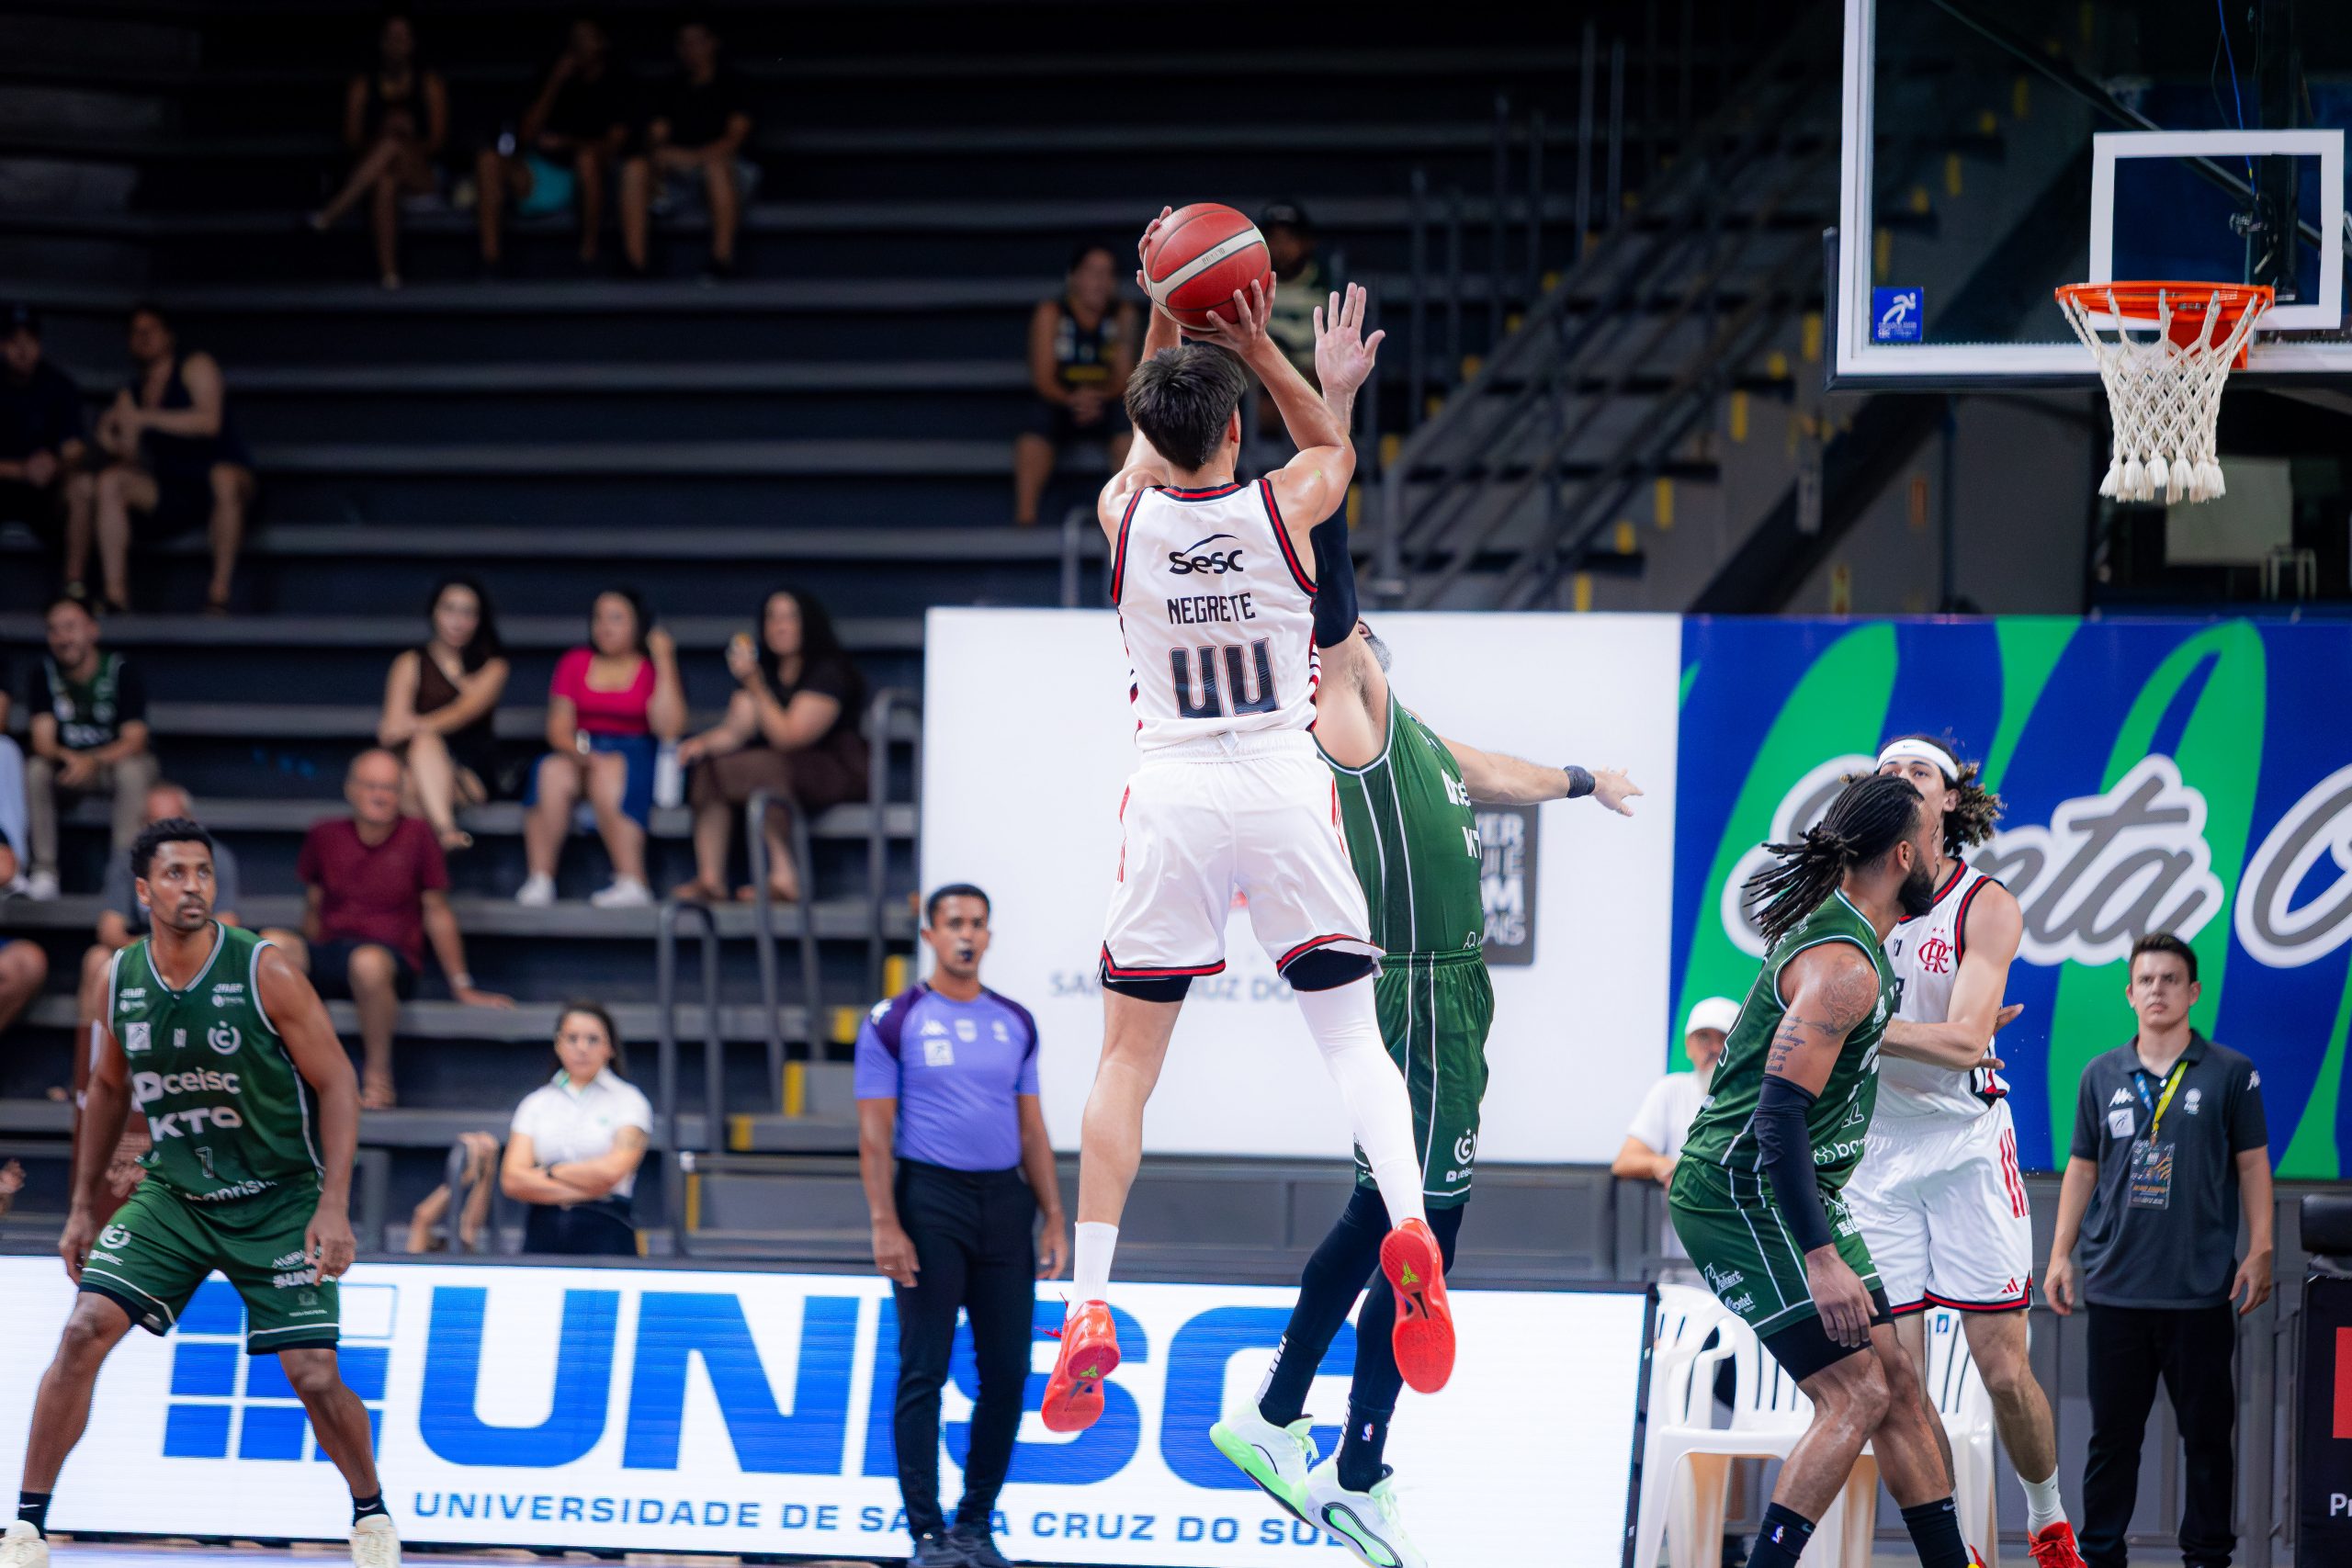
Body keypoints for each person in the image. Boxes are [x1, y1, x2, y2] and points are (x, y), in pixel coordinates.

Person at [1044, 215, 1447, 1435]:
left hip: (1174, 789)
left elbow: (1149, 432)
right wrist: (1263, 346)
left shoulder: (1124, 516)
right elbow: (1331, 447)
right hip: (1278, 783)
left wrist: (1165, 308)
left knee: (1126, 1065)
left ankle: (1089, 1303)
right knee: (1352, 1041)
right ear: (1232, 431)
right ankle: (1412, 1229)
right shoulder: (1287, 506)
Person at [1212, 612, 1638, 1568]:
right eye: (1347, 630)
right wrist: (1321, 527)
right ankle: (1352, 1469)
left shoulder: (1416, 739)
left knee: (1380, 1211)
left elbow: (1502, 775)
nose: (1357, 631)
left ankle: (1277, 1419)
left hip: (1445, 995)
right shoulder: (1350, 726)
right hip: (1425, 994)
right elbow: (1332, 624)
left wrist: (1585, 781)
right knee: (1424, 1234)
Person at [0, 817, 401, 1568]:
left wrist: (334, 1203)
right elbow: (107, 1087)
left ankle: (370, 1512)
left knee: (314, 1375)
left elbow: (339, 1080)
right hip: (177, 1194)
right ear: (143, 890)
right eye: (176, 873)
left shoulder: (264, 969)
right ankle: (24, 1527)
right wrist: (82, 1205)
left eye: (204, 872)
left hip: (279, 1196)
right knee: (84, 1328)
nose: (194, 886)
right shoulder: (118, 976)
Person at [1668, 772, 1978, 1568]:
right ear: (1903, 854)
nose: (1942, 857)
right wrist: (1821, 1256)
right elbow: (1776, 1117)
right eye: (1935, 842)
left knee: (1897, 1380)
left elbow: (1844, 1046)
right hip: (1740, 1190)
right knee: (1857, 1391)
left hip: (1799, 1186)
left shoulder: (1854, 945)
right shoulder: (1845, 962)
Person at [1846, 734, 2082, 1568]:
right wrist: (1921, 1034)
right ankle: (1957, 1554)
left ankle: (2049, 1524)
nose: (1901, 778)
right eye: (1888, 769)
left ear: (1950, 798)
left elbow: (1965, 1044)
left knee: (2002, 1369)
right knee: (1898, 1384)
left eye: (1919, 769)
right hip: (1875, 1154)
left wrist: (1856, 1026)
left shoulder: (1985, 903)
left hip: (1965, 1145)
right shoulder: (1849, 897)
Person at [2045, 933, 2273, 1568]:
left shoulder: (2231, 1072)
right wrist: (2060, 1254)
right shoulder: (2100, 1074)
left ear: (2193, 991)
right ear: (2129, 993)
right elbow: (2082, 1168)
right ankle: (2101, 1556)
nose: (2157, 990)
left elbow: (2253, 1164)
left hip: (2199, 1291)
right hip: (2116, 1289)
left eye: (2171, 979)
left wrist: (2262, 1246)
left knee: (2208, 1441)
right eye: (2146, 980)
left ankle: (2207, 1557)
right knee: (2111, 1442)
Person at [854, 886, 1066, 1568]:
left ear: (989, 935)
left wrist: (1054, 1217)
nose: (966, 935)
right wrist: (885, 1222)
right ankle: (926, 1533)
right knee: (925, 1368)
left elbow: (1031, 1128)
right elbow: (873, 1136)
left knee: (1007, 1371)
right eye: (953, 924)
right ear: (930, 934)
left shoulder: (1015, 1020)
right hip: (929, 1201)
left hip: (1004, 1205)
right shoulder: (895, 1019)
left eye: (977, 923)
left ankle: (974, 1525)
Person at [263, 750, 512, 1109]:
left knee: (368, 963)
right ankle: (275, 1072)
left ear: (401, 794)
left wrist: (462, 986)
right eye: (370, 786)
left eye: (389, 788)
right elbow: (313, 906)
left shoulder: (418, 834)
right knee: (270, 945)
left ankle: (378, 1077)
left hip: (389, 962)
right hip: (331, 950)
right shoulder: (324, 833)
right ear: (350, 789)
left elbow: (437, 911)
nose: (379, 795)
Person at [672, 587, 868, 904]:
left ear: (808, 623)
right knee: (710, 764)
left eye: (790, 618)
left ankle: (785, 876)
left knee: (764, 766)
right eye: (772, 618)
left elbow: (790, 737)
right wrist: (701, 744)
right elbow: (735, 731)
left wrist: (756, 686)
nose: (780, 626)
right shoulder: (765, 670)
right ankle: (710, 879)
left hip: (833, 767)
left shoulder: (829, 671)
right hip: (781, 765)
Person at [517, 588, 685, 909]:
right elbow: (558, 728)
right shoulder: (574, 662)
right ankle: (540, 878)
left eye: (617, 618)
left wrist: (664, 660)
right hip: (581, 747)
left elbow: (670, 728)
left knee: (609, 770)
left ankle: (633, 880)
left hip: (635, 752)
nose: (606, 627)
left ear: (638, 625)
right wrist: (581, 753)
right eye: (600, 618)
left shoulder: (650, 667)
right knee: (551, 770)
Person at [85, 303, 256, 615]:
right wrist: (108, 441)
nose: (143, 337)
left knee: (224, 477)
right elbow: (130, 455)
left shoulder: (195, 366)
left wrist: (144, 418)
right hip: (173, 487)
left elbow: (209, 422)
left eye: (150, 330)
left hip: (221, 480)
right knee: (111, 481)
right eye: (136, 332)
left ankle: (218, 594)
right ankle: (115, 596)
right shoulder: (131, 393)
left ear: (168, 336)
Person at [21, 592, 156, 901]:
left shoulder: (120, 669)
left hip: (112, 766)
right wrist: (72, 759)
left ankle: (124, 876)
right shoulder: (43, 673)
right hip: (69, 770)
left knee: (133, 771)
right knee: (36, 768)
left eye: (70, 627)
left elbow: (135, 739)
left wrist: (92, 760)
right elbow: (42, 741)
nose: (62, 638)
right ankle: (44, 871)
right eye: (54, 630)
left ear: (92, 630)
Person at [474, 17, 632, 272]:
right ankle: (490, 261)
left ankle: (589, 256)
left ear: (602, 43)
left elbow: (615, 143)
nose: (579, 45)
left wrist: (567, 143)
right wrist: (554, 83)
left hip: (589, 175)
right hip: (540, 171)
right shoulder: (551, 78)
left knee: (586, 160)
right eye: (575, 39)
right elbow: (525, 135)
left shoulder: (617, 82)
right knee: (488, 160)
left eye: (586, 38)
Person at [307, 11, 449, 289]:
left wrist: (407, 138)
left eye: (403, 37)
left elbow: (438, 143)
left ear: (413, 43)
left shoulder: (429, 84)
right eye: (391, 37)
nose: (397, 44)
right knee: (385, 180)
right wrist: (382, 132)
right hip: (376, 176)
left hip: (421, 177)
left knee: (394, 144)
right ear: (381, 43)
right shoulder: (363, 86)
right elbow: (351, 142)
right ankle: (389, 275)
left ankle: (332, 213)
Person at [499, 1002, 651, 1257]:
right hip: (542, 1229)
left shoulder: (629, 1100)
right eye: (572, 1038)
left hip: (607, 1227)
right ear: (558, 1044)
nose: (582, 1048)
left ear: (610, 1047)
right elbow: (512, 1180)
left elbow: (612, 1172)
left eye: (592, 1039)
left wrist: (551, 1171)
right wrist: (588, 1189)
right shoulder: (536, 1102)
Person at [1615, 995, 1743, 1283]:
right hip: (1680, 1275)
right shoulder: (1670, 1091)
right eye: (1703, 1038)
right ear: (1688, 1046)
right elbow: (1625, 1161)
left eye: (1724, 1038)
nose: (1713, 1048)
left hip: (1744, 1267)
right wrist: (1661, 1164)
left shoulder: (1759, 1098)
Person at [378, 576, 509, 852]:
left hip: (469, 773)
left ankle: (430, 857)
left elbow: (462, 713)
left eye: (467, 613)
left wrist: (416, 726)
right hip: (413, 769)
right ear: (434, 612)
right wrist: (412, 732)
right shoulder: (410, 663)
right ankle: (446, 835)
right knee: (411, 780)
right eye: (449, 609)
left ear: (479, 620)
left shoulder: (493, 667)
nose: (457, 621)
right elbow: (389, 732)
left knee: (422, 750)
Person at [1012, 242, 1136, 527]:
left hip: (1105, 401)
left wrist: (1098, 398)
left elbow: (1125, 378)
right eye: (1093, 272)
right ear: (1074, 277)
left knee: (1132, 425)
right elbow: (1042, 377)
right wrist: (1073, 400)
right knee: (1035, 426)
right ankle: (1025, 519)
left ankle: (1130, 517)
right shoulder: (1052, 312)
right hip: (1061, 398)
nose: (1100, 282)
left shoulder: (1123, 314)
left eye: (1107, 274)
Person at [619, 20, 753, 279]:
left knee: (716, 167)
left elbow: (733, 141)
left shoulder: (736, 84)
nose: (691, 49)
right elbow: (656, 139)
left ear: (713, 43)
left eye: (698, 41)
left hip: (732, 173)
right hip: (679, 174)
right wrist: (661, 154)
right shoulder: (669, 88)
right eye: (684, 43)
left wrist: (690, 158)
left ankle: (721, 262)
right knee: (635, 167)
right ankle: (635, 265)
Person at [0, 302, 89, 570]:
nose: (22, 349)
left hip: (46, 492)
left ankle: (74, 585)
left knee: (82, 488)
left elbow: (75, 450)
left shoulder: (59, 386)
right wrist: (21, 470)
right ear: (2, 345)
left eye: (30, 340)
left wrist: (55, 466)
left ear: (39, 344)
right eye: (14, 341)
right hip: (4, 485)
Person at [1260, 201, 1331, 384]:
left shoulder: (1326, 287)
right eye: (1274, 238)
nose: (1281, 247)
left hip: (1312, 383)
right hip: (1259, 385)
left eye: (1289, 238)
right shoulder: (1251, 286)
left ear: (1307, 242)